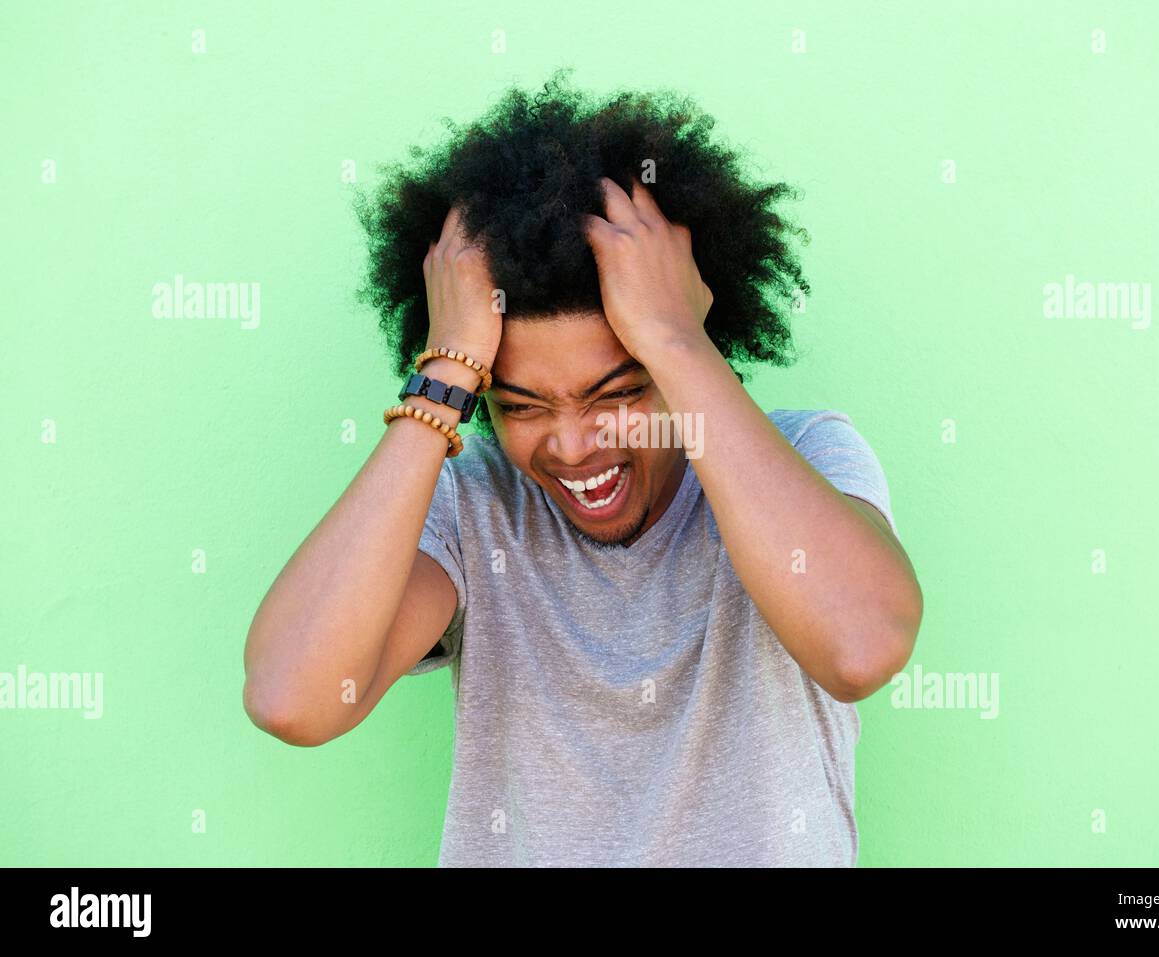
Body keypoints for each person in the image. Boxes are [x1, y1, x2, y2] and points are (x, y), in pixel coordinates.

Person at [243, 70, 923, 867]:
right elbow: (293, 697)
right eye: (522, 405)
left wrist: (673, 338)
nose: (571, 445)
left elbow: (862, 647)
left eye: (619, 391)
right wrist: (446, 378)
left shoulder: (807, 456)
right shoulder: (471, 506)